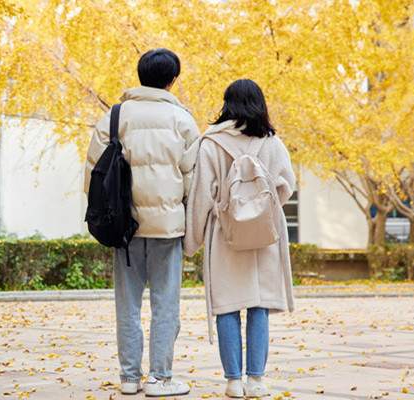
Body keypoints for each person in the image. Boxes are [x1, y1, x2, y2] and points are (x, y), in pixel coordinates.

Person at [85, 48, 200, 396]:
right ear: (173, 79)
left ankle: (129, 379)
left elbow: (93, 173)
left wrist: (109, 216)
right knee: (166, 305)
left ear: (140, 76)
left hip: (125, 228)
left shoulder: (115, 116)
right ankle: (160, 379)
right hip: (167, 228)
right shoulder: (182, 119)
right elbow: (193, 179)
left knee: (128, 305)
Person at [183, 79, 296, 398]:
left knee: (227, 306)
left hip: (224, 234)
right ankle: (256, 382)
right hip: (265, 236)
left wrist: (191, 243)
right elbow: (287, 184)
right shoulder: (272, 142)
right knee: (259, 306)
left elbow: (201, 197)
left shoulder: (211, 143)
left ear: (227, 103)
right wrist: (262, 208)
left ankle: (233, 382)